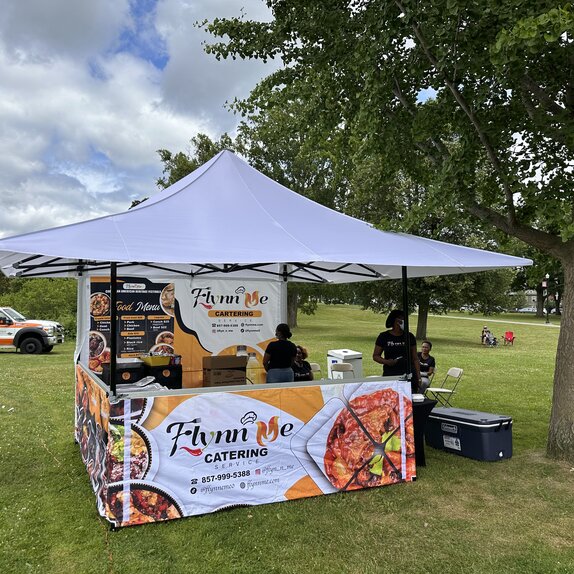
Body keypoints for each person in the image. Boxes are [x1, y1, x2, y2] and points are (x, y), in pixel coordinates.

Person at [372, 309, 421, 393]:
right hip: (391, 374)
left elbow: (415, 358)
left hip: (408, 373)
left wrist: (418, 376)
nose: (404, 321)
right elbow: (375, 356)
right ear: (395, 321)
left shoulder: (409, 336)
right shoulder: (384, 336)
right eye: (402, 319)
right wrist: (386, 362)